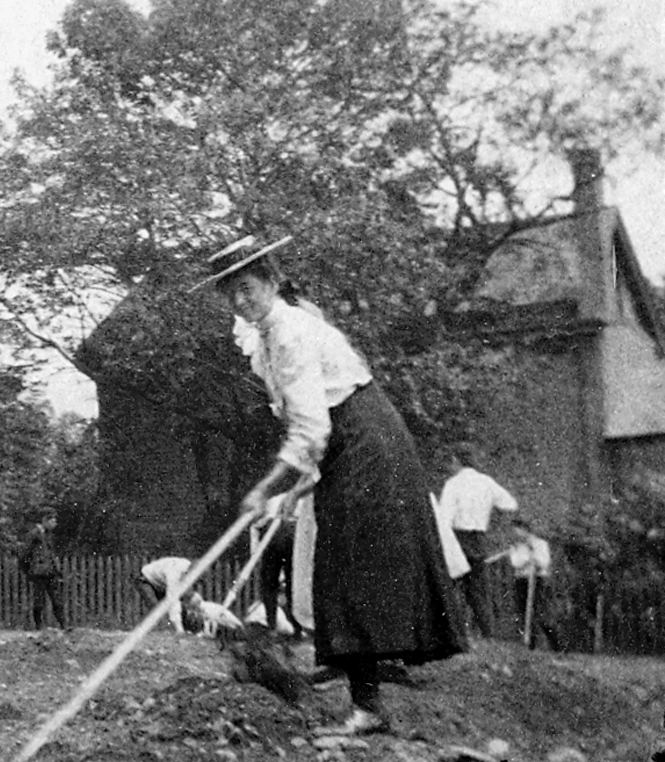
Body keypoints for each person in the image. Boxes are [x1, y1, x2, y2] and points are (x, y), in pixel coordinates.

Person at [206, 234, 465, 737]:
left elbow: (311, 431)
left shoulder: (290, 332)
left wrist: (266, 488)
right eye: (231, 294)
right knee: (337, 566)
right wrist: (290, 492)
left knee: (345, 566)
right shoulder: (269, 335)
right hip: (349, 442)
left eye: (247, 287)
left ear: (271, 281)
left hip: (367, 441)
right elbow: (314, 436)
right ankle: (365, 698)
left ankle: (368, 706)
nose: (241, 300)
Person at [439, 448, 519, 639]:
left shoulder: (453, 484)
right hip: (478, 539)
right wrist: (492, 519)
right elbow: (510, 504)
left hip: (457, 538)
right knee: (478, 590)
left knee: (449, 586)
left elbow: (444, 518)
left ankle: (449, 633)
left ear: (456, 460)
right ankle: (487, 634)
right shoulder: (486, 482)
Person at [256, 492, 307, 639]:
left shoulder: (272, 499)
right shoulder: (303, 499)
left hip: (275, 530)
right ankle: (296, 628)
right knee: (292, 584)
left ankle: (273, 627)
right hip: (289, 530)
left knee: (270, 583)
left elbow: (257, 525)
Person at [506, 518, 560, 651]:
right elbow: (516, 562)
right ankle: (530, 646)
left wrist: (534, 557)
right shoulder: (516, 547)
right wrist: (526, 559)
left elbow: (544, 562)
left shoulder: (541, 544)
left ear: (525, 530)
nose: (516, 533)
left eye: (518, 530)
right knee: (524, 612)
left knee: (540, 612)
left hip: (537, 580)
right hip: (522, 579)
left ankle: (556, 645)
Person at [20, 508, 66, 630]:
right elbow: (25, 554)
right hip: (38, 573)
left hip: (50, 572)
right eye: (52, 521)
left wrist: (57, 570)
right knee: (39, 601)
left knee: (57, 600)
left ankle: (63, 625)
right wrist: (28, 571)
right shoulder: (35, 535)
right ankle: (38, 626)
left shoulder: (49, 536)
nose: (54, 524)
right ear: (45, 521)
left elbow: (51, 554)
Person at [136, 555, 205, 634]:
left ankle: (188, 629)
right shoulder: (174, 572)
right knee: (156, 607)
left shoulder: (188, 570)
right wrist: (179, 628)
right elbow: (172, 599)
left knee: (183, 608)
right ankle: (155, 632)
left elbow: (187, 596)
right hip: (146, 580)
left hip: (161, 584)